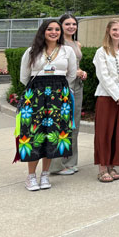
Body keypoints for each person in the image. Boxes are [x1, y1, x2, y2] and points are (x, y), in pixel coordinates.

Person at [18, 20, 77, 191]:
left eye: (57, 29)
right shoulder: (31, 51)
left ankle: (45, 174)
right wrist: (39, 91)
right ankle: (30, 177)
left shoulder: (68, 51)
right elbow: (24, 77)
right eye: (50, 29)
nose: (54, 32)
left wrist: (58, 91)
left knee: (53, 135)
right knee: (32, 134)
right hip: (35, 97)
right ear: (43, 31)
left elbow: (71, 74)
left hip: (59, 97)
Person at [93, 19, 119, 183]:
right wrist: (117, 95)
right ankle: (103, 167)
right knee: (104, 132)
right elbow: (103, 76)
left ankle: (112, 165)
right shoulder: (101, 52)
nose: (118, 32)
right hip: (107, 96)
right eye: (115, 29)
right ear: (108, 31)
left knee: (118, 133)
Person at [49, 14, 87, 176]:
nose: (71, 27)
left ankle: (71, 161)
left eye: (74, 24)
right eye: (67, 24)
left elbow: (77, 64)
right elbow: (51, 65)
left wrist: (81, 72)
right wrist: (73, 71)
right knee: (59, 124)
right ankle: (56, 165)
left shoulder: (76, 43)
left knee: (74, 125)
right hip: (62, 87)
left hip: (77, 87)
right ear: (61, 25)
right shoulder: (56, 43)